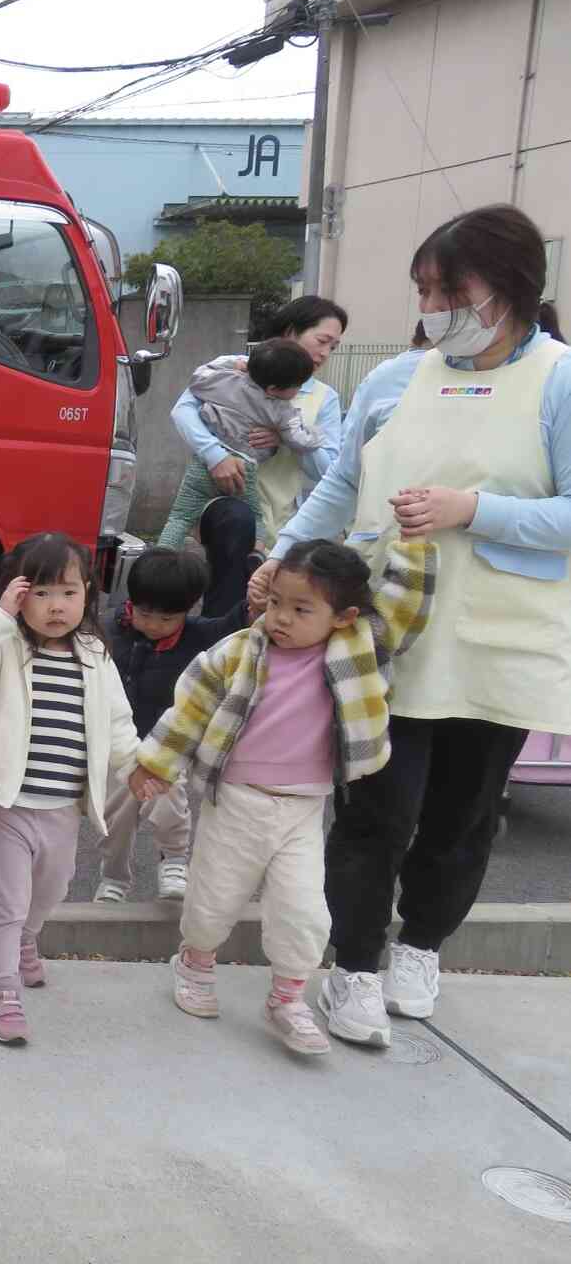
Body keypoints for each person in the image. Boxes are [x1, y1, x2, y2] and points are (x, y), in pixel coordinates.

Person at [249, 203, 570, 1046]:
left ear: (510, 288)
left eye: (449, 292)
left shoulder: (560, 380)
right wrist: (283, 555)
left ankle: (421, 946)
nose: (431, 308)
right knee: (375, 810)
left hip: (496, 642)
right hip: (385, 638)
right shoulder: (396, 379)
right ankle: (354, 966)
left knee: (463, 816)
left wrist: (474, 510)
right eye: (424, 290)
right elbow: (340, 485)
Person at [137, 538, 434, 1056]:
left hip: (303, 809)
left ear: (344, 617)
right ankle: (195, 962)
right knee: (212, 898)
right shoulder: (238, 651)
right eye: (275, 602)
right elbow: (190, 708)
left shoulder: (358, 650)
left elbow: (405, 608)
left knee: (304, 912)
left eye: (301, 609)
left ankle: (286, 998)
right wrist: (157, 764)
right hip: (236, 800)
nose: (280, 618)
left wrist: (415, 544)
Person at [0, 533, 139, 1045]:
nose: (57, 606)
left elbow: (118, 722)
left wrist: (138, 768)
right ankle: (1, 990)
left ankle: (28, 939)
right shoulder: (5, 644)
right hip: (7, 804)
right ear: (18, 594)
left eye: (69, 593)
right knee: (7, 904)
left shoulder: (93, 653)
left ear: (87, 594)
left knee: (53, 888)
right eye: (42, 593)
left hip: (63, 806)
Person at [171, 297, 348, 617]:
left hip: (283, 519)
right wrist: (215, 456)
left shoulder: (325, 398)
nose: (325, 353)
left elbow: (328, 469)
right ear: (291, 331)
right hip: (224, 500)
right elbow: (183, 411)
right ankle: (218, 634)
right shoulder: (235, 368)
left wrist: (286, 439)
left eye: (333, 347)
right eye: (322, 341)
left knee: (273, 608)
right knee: (233, 556)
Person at [93, 547, 245, 904]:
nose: (153, 625)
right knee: (115, 819)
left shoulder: (197, 636)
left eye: (166, 619)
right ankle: (113, 878)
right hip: (117, 745)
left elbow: (234, 628)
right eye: (145, 614)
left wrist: (252, 605)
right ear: (131, 602)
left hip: (168, 744)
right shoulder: (108, 629)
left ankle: (174, 859)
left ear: (189, 610)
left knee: (168, 802)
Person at [156, 338, 322, 552]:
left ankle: (162, 554)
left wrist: (230, 364)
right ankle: (256, 553)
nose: (298, 390)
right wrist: (316, 434)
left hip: (202, 465)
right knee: (255, 517)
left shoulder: (224, 381)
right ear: (273, 389)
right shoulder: (282, 410)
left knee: (180, 517)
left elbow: (198, 377)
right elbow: (301, 441)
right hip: (244, 470)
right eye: (297, 386)